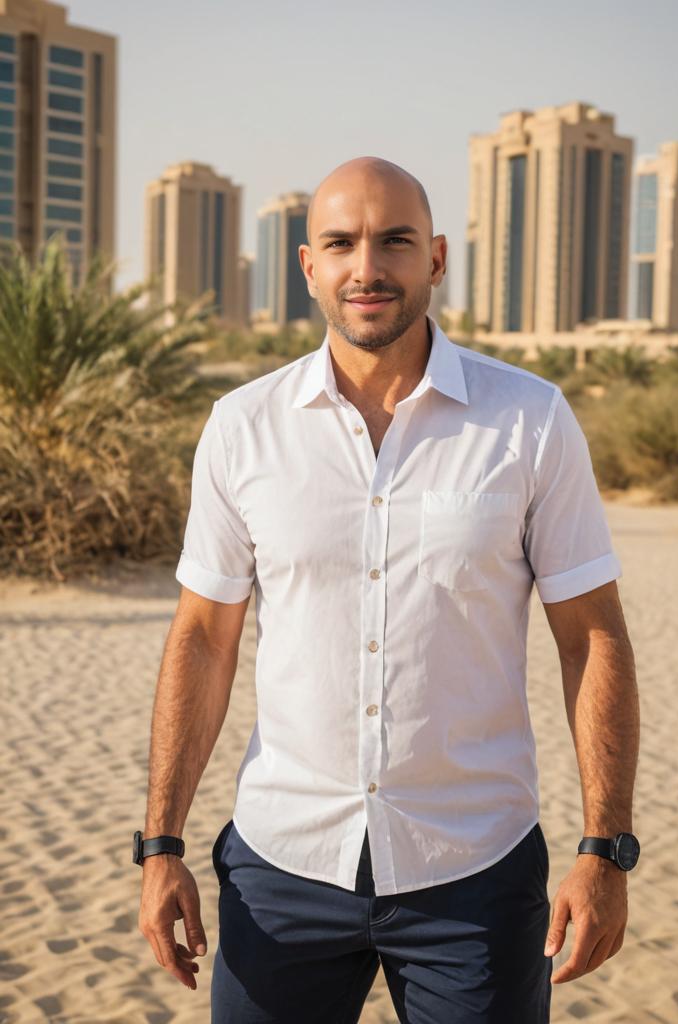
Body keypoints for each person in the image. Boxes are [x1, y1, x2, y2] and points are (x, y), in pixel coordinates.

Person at [136, 156, 640, 1023]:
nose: (366, 268)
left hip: (474, 872)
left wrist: (605, 850)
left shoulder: (529, 420)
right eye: (341, 243)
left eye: (394, 242)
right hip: (280, 868)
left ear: (436, 259)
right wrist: (160, 845)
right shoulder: (243, 428)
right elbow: (203, 638)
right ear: (308, 266)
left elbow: (590, 636)